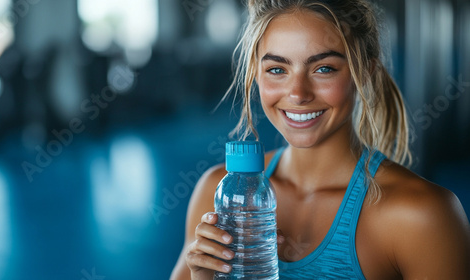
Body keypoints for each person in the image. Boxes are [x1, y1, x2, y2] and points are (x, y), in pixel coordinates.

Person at [171, 0, 470, 279]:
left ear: (364, 73)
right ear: (256, 75)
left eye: (323, 68)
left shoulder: (424, 215)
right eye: (277, 69)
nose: (298, 94)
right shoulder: (218, 192)